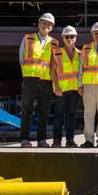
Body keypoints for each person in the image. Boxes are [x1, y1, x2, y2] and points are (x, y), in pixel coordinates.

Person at [18, 13, 59, 148]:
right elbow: (22, 58)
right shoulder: (28, 38)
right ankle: (24, 139)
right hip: (30, 78)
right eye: (43, 22)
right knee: (27, 109)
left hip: (46, 80)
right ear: (39, 24)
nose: (46, 25)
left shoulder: (55, 43)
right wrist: (27, 73)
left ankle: (42, 140)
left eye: (49, 24)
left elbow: (55, 63)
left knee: (44, 110)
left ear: (51, 28)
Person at [50, 26, 80, 148]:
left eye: (72, 36)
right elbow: (52, 71)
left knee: (71, 115)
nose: (69, 39)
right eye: (67, 37)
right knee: (58, 115)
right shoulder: (56, 52)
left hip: (75, 89)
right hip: (61, 90)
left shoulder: (80, 53)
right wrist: (56, 86)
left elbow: (82, 72)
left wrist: (81, 86)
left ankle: (70, 140)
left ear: (75, 38)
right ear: (63, 38)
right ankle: (56, 140)